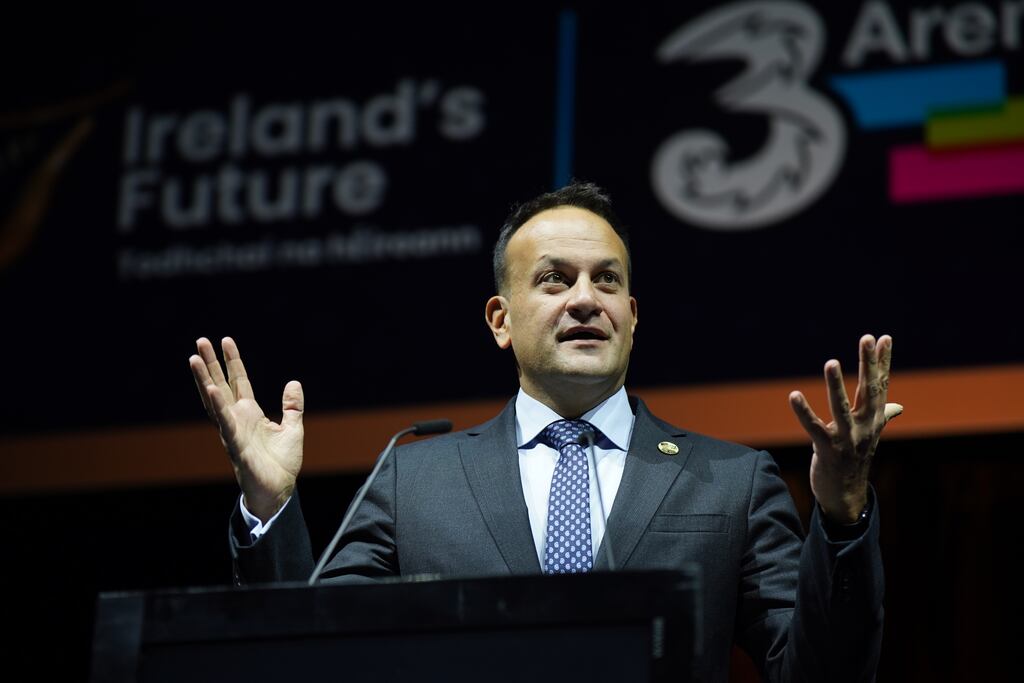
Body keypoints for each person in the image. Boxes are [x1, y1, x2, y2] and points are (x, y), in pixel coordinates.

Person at [189, 182, 900, 682]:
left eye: (607, 280)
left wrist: (842, 516)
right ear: (500, 320)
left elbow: (823, 672)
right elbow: (316, 657)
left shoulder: (731, 482)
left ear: (632, 316)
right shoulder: (413, 480)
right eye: (555, 280)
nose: (586, 299)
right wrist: (270, 506)